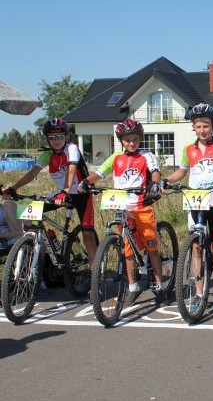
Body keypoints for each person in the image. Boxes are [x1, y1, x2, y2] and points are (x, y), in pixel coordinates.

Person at [163, 103, 213, 313]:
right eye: (198, 126)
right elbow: (181, 172)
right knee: (196, 248)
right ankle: (199, 293)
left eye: (206, 125)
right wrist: (165, 181)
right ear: (193, 127)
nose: (202, 130)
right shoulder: (188, 149)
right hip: (195, 201)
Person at [78, 119, 167, 306]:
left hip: (142, 207)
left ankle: (159, 284)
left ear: (140, 139)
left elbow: (155, 171)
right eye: (127, 140)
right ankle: (133, 286)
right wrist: (86, 182)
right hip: (122, 208)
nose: (131, 143)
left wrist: (156, 183)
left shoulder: (146, 155)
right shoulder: (116, 157)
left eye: (135, 139)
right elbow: (100, 173)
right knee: (127, 250)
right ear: (121, 141)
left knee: (151, 247)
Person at [3, 118, 97, 267]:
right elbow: (32, 173)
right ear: (47, 139)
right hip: (62, 193)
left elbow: (72, 168)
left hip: (81, 195)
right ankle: (40, 261)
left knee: (88, 235)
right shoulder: (48, 155)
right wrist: (14, 188)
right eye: (52, 137)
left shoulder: (71, 148)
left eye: (60, 136)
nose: (56, 140)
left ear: (66, 136)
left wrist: (66, 190)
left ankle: (95, 276)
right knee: (30, 215)